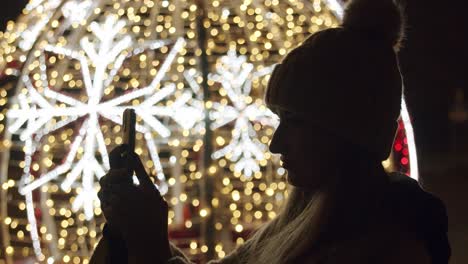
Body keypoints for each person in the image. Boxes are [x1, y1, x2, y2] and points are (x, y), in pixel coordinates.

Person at [91, 0, 451, 263]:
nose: (276, 144)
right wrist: (134, 230)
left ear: (344, 132)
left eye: (294, 122)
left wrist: (150, 245)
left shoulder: (382, 251)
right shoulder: (299, 223)